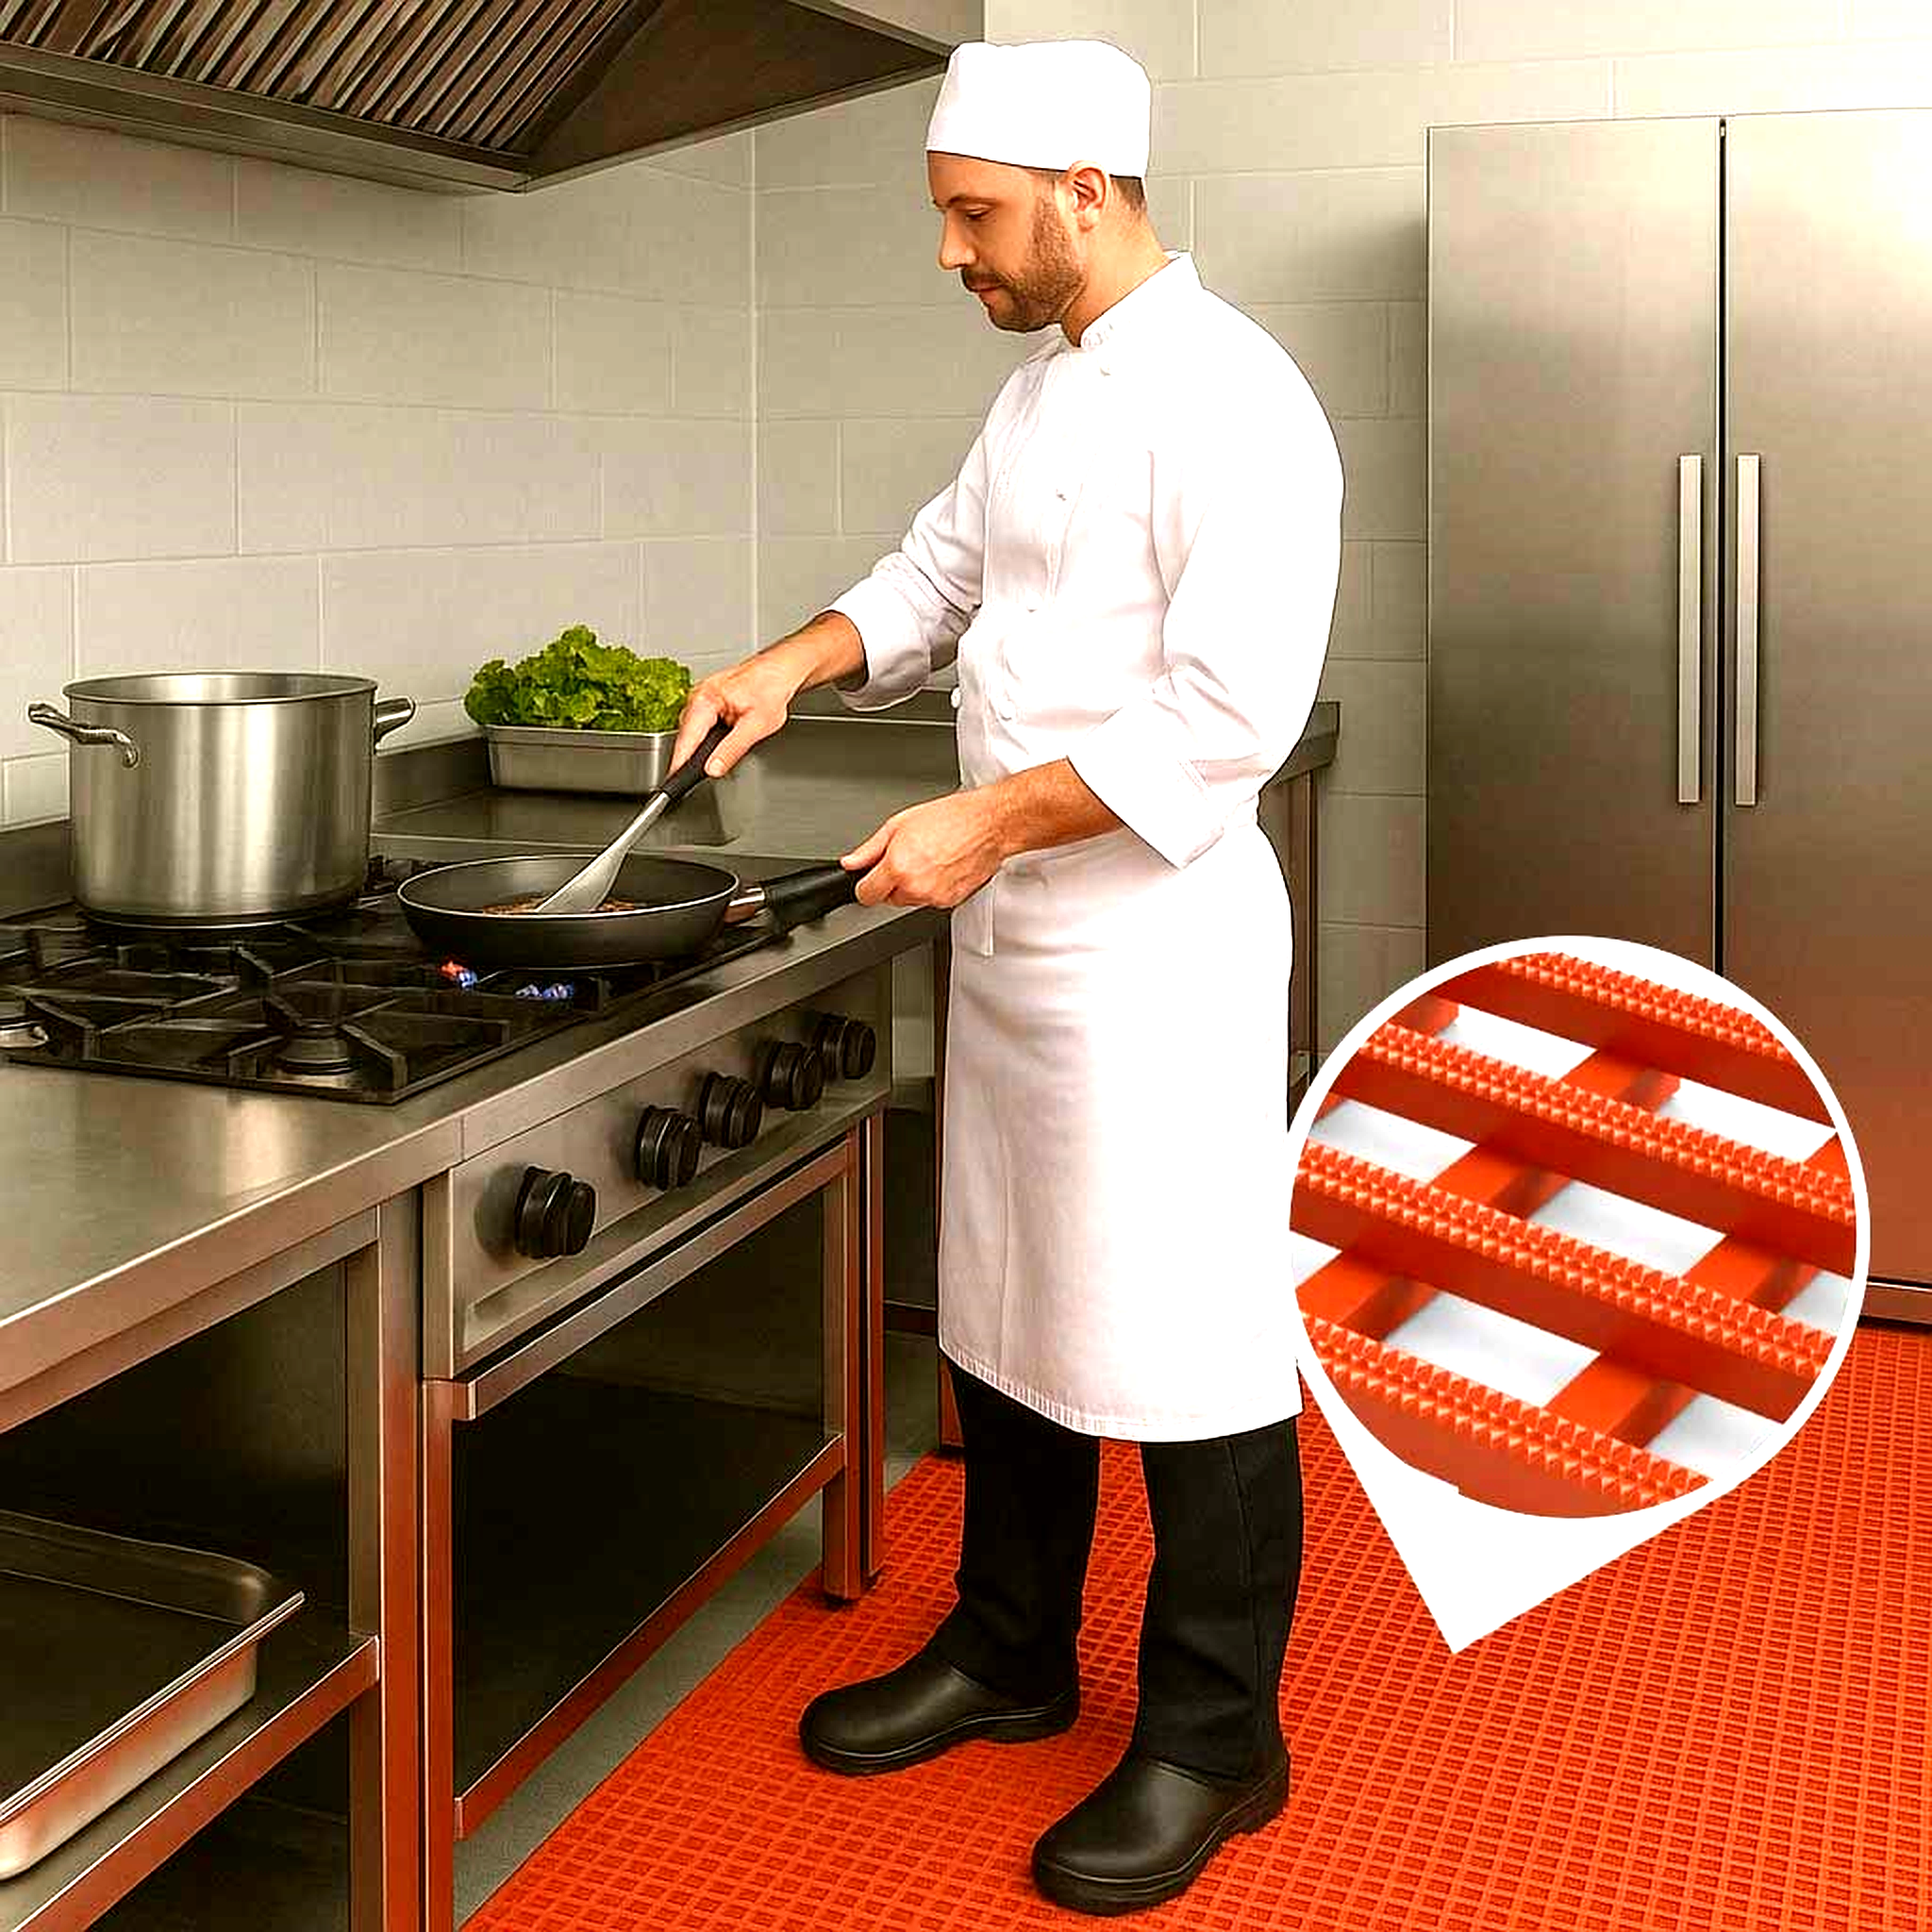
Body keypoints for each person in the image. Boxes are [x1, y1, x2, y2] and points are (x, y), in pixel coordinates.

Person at [670, 37, 1342, 1917]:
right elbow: (931, 574)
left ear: (1082, 191)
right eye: (945, 213)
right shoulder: (1042, 396)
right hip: (1026, 939)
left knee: (1193, 1337)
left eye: (973, 216)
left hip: (1162, 943)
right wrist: (792, 661)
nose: (952, 251)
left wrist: (988, 821)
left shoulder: (1238, 400)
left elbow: (1231, 717)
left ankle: (1219, 1734)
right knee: (1015, 1293)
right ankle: (1013, 1644)